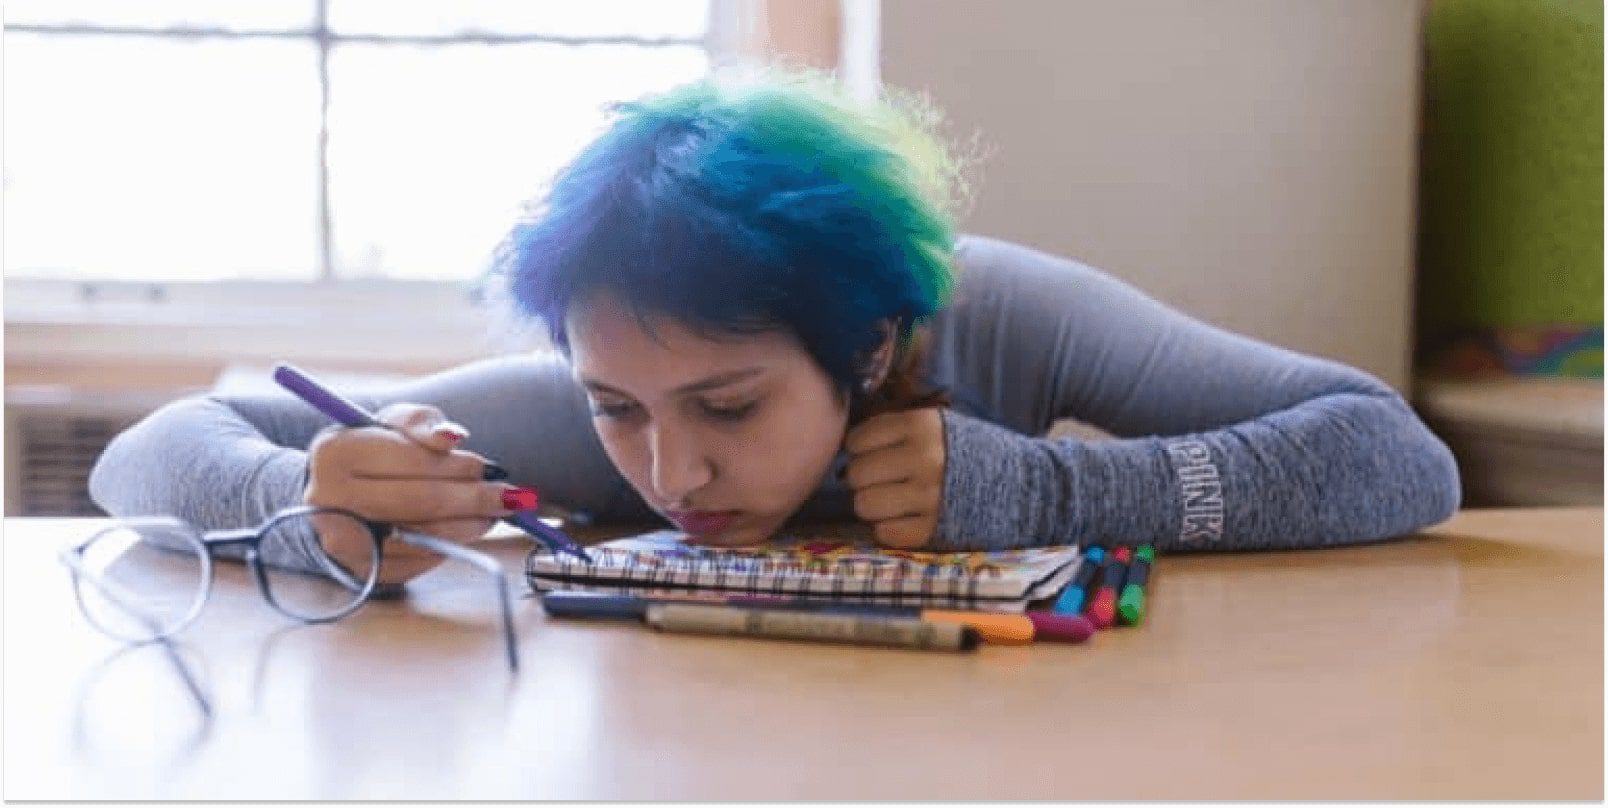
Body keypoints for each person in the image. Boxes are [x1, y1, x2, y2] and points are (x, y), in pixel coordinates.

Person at [89, 69, 1461, 586]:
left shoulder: (995, 311)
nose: (671, 478)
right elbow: (149, 450)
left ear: (870, 346)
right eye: (615, 409)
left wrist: (1048, 488)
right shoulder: (606, 386)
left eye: (730, 409)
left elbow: (1397, 457)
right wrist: (300, 500)